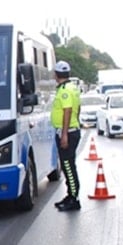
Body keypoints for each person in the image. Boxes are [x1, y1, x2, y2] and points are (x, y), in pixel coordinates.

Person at [51, 60, 82, 211]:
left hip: (67, 132)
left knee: (68, 166)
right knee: (69, 165)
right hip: (72, 130)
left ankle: (73, 198)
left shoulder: (64, 90)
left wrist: (64, 135)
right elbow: (78, 108)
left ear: (56, 75)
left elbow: (67, 111)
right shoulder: (73, 87)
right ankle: (71, 195)